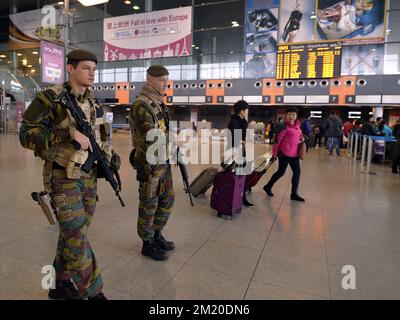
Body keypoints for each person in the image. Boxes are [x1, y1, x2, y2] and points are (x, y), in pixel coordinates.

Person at [19, 49, 118, 300]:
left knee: (75, 232)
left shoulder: (92, 101)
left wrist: (110, 158)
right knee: (76, 236)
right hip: (63, 177)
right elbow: (26, 136)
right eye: (86, 68)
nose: (91, 73)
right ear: (71, 69)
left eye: (94, 69)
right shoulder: (50, 98)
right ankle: (93, 292)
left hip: (88, 175)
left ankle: (59, 284)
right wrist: (67, 135)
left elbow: (98, 136)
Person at [129, 65, 175, 261]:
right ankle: (147, 243)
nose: (165, 83)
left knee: (167, 199)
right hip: (150, 164)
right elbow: (151, 135)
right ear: (149, 80)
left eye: (166, 80)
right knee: (149, 203)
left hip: (162, 161)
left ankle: (157, 235)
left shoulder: (159, 103)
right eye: (161, 80)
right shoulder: (142, 105)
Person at [263, 107, 305, 202]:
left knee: (297, 172)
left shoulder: (298, 127)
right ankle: (268, 186)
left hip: (295, 154)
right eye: (289, 114)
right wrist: (274, 154)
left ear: (296, 116)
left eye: (293, 114)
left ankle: (294, 194)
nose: (291, 116)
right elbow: (277, 141)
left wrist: (302, 138)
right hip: (284, 154)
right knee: (281, 172)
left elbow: (299, 137)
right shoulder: (283, 127)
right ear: (286, 116)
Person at [227, 100, 253, 207]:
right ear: (242, 110)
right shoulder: (234, 122)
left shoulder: (242, 121)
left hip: (241, 150)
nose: (247, 112)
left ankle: (241, 195)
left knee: (242, 173)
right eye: (246, 110)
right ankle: (240, 198)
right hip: (235, 151)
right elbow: (232, 138)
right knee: (239, 173)